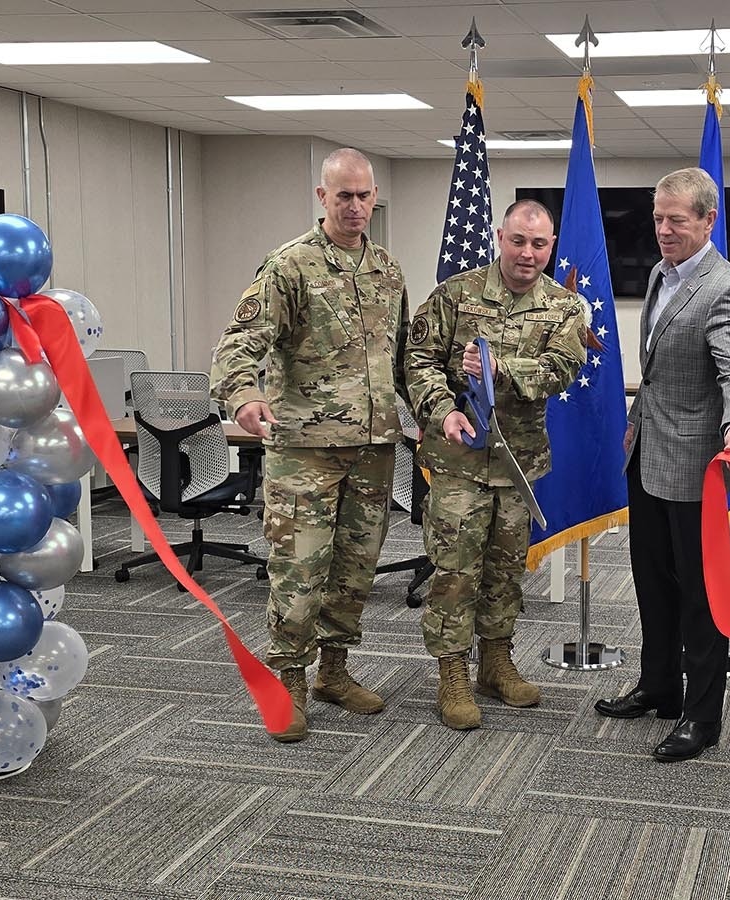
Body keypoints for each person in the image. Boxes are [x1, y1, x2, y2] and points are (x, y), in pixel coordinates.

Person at [210, 148, 408, 743]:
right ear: (322, 198)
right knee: (299, 571)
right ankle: (288, 679)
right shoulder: (289, 266)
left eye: (363, 195)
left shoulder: (388, 271)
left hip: (373, 449)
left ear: (375, 198)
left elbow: (399, 361)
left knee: (354, 571)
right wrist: (244, 396)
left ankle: (334, 672)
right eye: (342, 195)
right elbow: (240, 340)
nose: (354, 206)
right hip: (306, 452)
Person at [594, 167, 730, 763]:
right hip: (648, 457)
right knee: (653, 582)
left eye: (676, 220)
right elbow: (661, 369)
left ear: (707, 221)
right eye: (658, 218)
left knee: (701, 595)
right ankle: (660, 685)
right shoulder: (663, 273)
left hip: (694, 466)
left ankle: (702, 715)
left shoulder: (725, 287)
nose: (662, 230)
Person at [405, 200, 587, 730]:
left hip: (517, 464)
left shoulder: (563, 307)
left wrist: (503, 368)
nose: (528, 253)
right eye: (518, 241)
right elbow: (417, 363)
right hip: (459, 459)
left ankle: (496, 661)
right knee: (455, 570)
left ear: (550, 246)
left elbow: (563, 367)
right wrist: (443, 412)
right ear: (499, 237)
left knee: (505, 570)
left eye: (539, 244)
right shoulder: (455, 295)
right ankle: (453, 675)